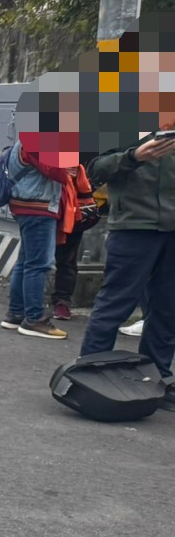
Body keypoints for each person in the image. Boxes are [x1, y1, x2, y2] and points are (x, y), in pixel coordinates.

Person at [80, 131, 175, 400]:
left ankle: (158, 378)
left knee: (168, 309)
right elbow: (95, 169)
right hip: (133, 227)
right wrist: (133, 156)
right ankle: (89, 375)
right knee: (116, 302)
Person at [1, 144, 87, 339]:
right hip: (38, 209)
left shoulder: (24, 141)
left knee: (25, 262)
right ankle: (34, 319)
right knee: (38, 264)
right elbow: (59, 173)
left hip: (26, 207)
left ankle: (15, 314)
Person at [49, 165, 98, 320]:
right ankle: (27, 303)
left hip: (72, 209)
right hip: (43, 208)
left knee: (67, 260)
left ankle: (62, 301)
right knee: (33, 260)